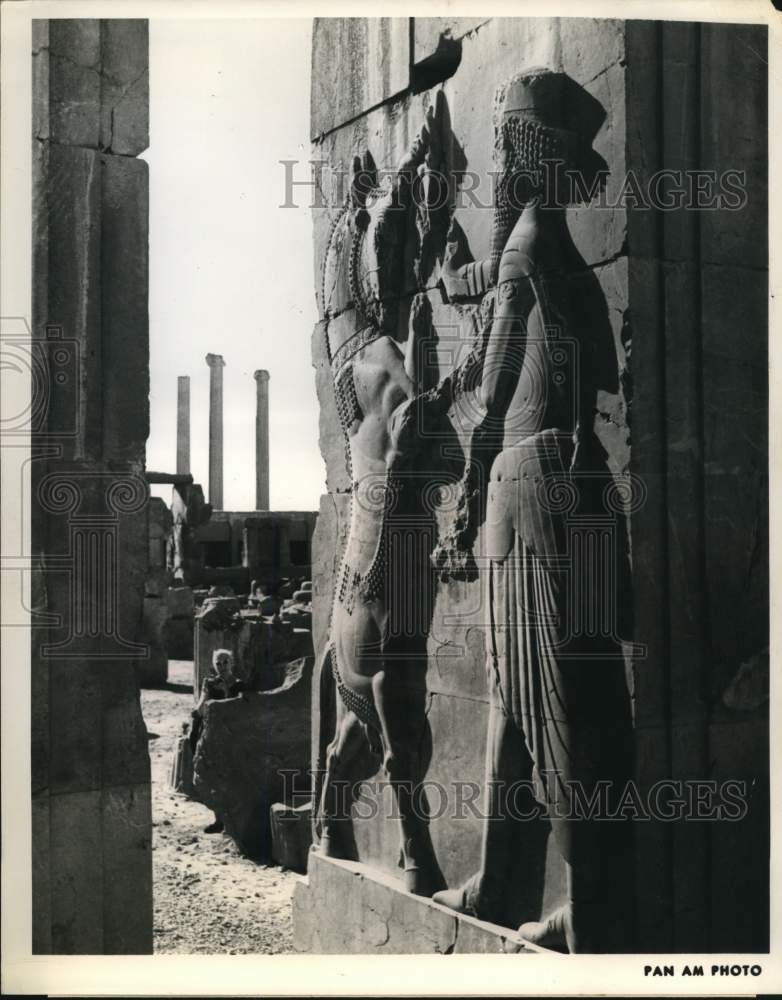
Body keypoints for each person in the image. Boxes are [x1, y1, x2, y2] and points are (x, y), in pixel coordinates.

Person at [431, 68, 634, 952]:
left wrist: (466, 486)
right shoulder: (551, 245)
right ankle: (504, 877)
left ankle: (588, 906)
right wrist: (456, 271)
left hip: (529, 483)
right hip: (570, 483)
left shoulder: (528, 246)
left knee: (552, 693)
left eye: (505, 147)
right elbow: (494, 286)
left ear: (523, 153)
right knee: (524, 692)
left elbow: (495, 376)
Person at [189, 648, 247, 834]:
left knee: (232, 779)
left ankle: (232, 821)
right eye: (218, 663)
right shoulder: (209, 683)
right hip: (212, 735)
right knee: (213, 778)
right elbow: (201, 707)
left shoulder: (239, 685)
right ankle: (219, 819)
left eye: (225, 662)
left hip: (231, 736)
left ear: (232, 663)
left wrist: (226, 691)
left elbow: (239, 710)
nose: (221, 666)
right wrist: (199, 706)